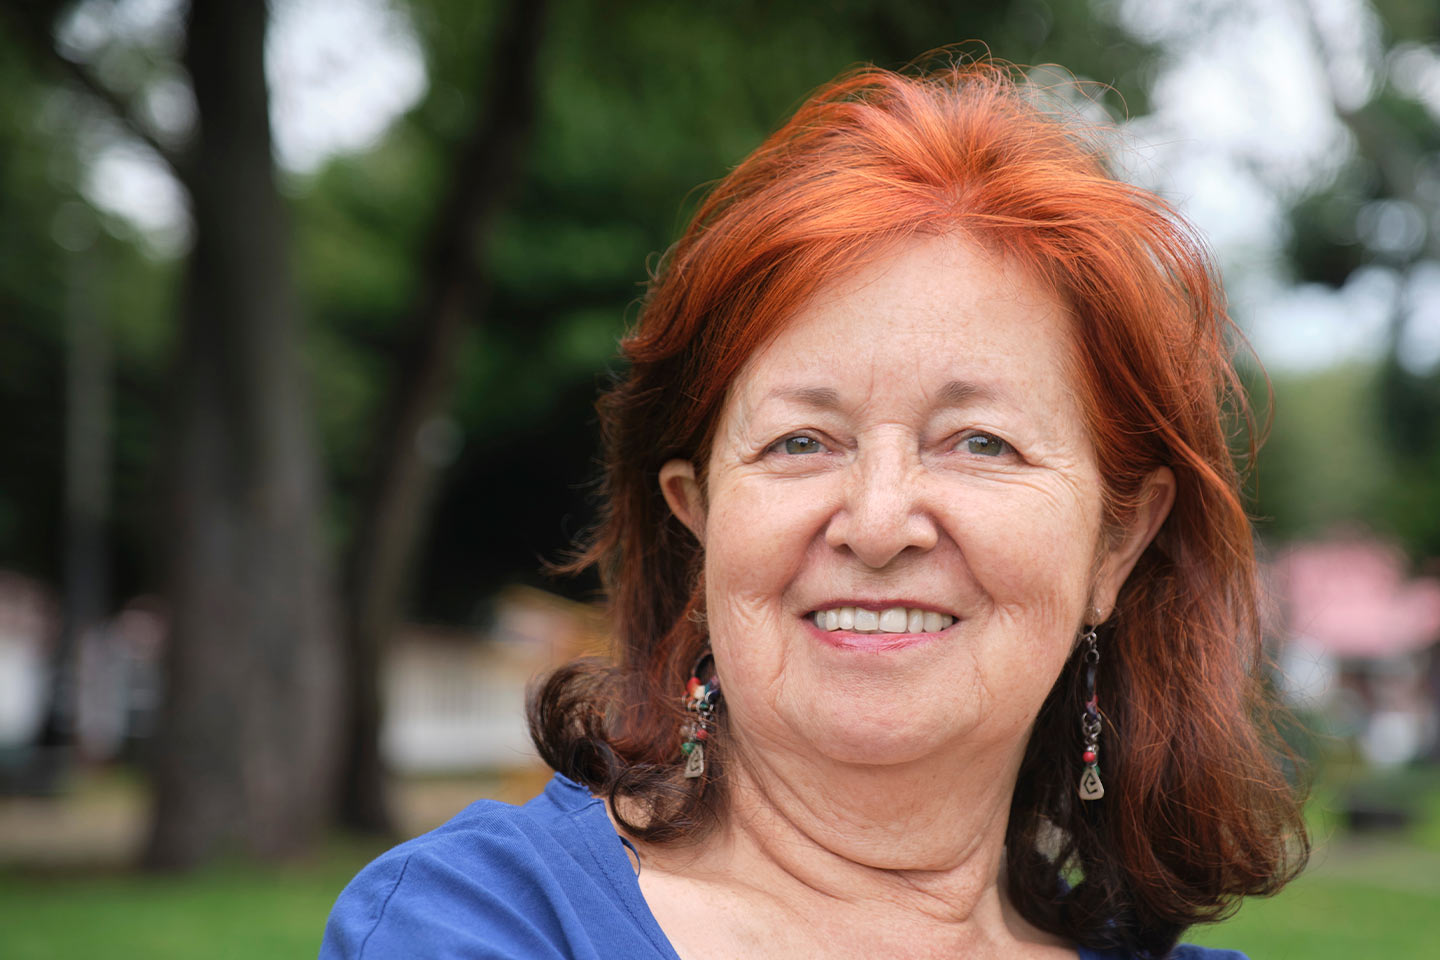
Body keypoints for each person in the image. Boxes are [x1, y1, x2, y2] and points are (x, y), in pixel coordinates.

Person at [321, 60, 1308, 960]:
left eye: (979, 443)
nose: (877, 525)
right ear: (695, 517)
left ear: (1116, 543)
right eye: (801, 442)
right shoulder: (479, 925)